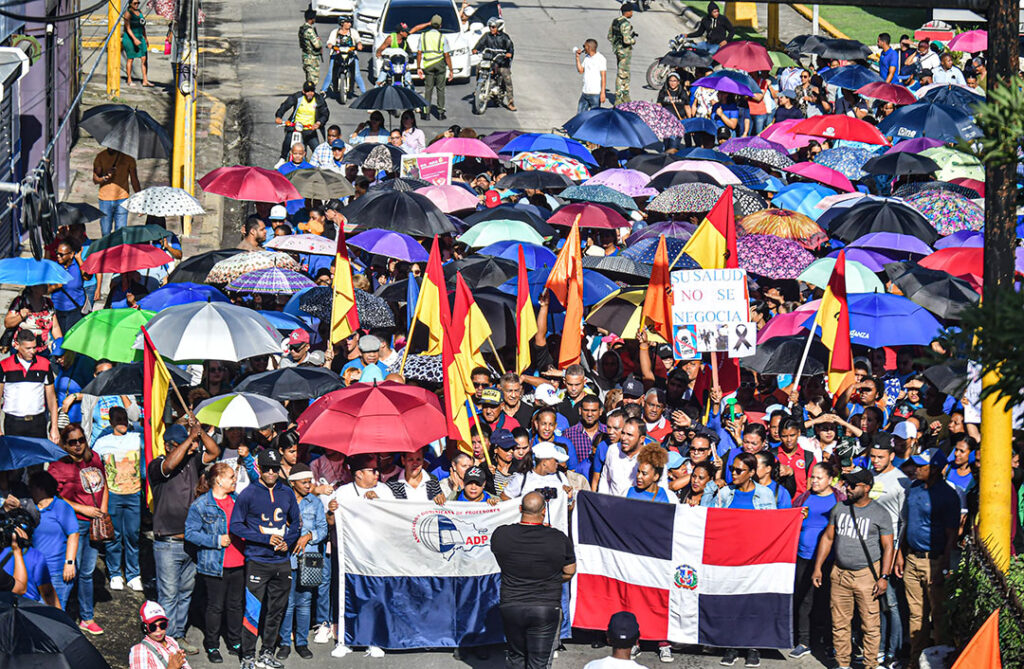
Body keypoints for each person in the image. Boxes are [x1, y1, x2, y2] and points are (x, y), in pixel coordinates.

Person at [148, 421, 221, 654]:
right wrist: (190, 438)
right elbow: (169, 465)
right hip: (166, 543)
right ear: (170, 446)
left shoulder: (191, 461)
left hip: (190, 541)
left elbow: (214, 452)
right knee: (168, 596)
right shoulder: (157, 465)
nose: (192, 450)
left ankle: (177, 635)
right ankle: (165, 643)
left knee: (185, 593)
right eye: (186, 446)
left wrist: (199, 432)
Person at [812, 467, 894, 669]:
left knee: (870, 625)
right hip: (839, 574)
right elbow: (828, 538)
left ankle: (870, 664)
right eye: (846, 483)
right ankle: (842, 664)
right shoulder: (839, 508)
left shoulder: (880, 513)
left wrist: (884, 576)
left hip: (867, 575)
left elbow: (888, 547)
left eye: (852, 484)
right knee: (839, 623)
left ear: (866, 488)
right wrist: (818, 567)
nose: (847, 487)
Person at [231, 449, 302, 669]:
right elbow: (235, 525)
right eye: (267, 468)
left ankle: (267, 653)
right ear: (259, 469)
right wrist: (264, 539)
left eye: (275, 468)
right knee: (253, 610)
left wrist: (287, 541)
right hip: (257, 561)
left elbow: (296, 523)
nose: (271, 473)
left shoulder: (287, 492)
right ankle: (248, 656)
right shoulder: (248, 493)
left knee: (276, 610)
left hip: (281, 561)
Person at [490, 491, 576, 669]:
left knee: (516, 657)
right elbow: (569, 571)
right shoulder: (558, 538)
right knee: (539, 663)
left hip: (511, 605)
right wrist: (548, 578)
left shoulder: (501, 535)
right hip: (545, 608)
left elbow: (501, 559)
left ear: (520, 508)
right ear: (544, 511)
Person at [897, 447, 960, 665]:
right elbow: (907, 523)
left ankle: (941, 663)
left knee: (939, 616)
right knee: (916, 616)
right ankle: (915, 663)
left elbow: (952, 535)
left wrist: (943, 567)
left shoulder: (948, 496)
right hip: (912, 559)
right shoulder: (914, 488)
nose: (915, 469)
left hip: (933, 562)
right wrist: (900, 553)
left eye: (921, 466)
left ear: (934, 469)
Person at [48, 423, 107, 634]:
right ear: (65, 444)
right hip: (75, 523)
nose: (78, 445)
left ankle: (87, 617)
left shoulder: (94, 458)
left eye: (81, 440)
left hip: (94, 522)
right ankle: (61, 615)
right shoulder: (59, 465)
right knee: (73, 570)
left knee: (87, 572)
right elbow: (56, 496)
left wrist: (102, 511)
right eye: (72, 442)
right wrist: (84, 509)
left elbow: (104, 484)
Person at [185, 462, 245, 663]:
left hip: (239, 562)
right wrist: (215, 540)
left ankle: (235, 642)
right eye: (231, 477)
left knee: (236, 605)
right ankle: (212, 645)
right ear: (218, 479)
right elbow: (190, 533)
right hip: (214, 565)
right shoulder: (202, 504)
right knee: (215, 606)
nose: (234, 480)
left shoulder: (237, 501)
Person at [790, 462, 842, 659]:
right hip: (803, 556)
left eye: (819, 478)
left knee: (829, 602)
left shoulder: (840, 500)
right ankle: (804, 641)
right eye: (812, 477)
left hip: (830, 560)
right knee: (804, 599)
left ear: (830, 480)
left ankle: (829, 643)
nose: (814, 481)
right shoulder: (803, 498)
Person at [278, 462, 327, 659]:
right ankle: (284, 642)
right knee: (287, 602)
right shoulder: (283, 501)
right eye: (304, 482)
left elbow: (323, 529)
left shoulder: (315, 502)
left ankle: (301, 642)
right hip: (287, 557)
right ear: (293, 483)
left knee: (305, 601)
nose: (309, 485)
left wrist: (309, 535)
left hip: (309, 558)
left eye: (310, 482)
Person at [91, 406, 143, 592]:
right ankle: (114, 573)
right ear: (111, 422)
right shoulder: (102, 442)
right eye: (118, 419)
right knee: (114, 536)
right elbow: (93, 462)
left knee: (133, 535)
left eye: (124, 419)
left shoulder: (138, 438)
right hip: (113, 494)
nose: (122, 423)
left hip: (134, 493)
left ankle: (133, 574)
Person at [28, 470, 78, 608]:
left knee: (55, 613)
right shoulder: (31, 508)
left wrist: (69, 562)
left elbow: (73, 534)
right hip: (36, 570)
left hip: (57, 571)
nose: (29, 490)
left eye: (31, 487)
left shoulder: (61, 507)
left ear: (41, 488)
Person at [129, 601, 191, 669]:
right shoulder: (140, 650)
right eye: (153, 627)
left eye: (162, 625)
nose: (158, 630)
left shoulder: (171, 641)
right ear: (145, 628)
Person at [93, 147, 140, 236]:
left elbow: (134, 181)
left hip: (123, 199)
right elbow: (95, 179)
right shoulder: (101, 157)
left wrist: (140, 198)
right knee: (106, 232)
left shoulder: (129, 158)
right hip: (105, 200)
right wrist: (105, 177)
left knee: (120, 233)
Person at [275, 82, 330, 158]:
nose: (310, 93)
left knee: (317, 150)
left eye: (312, 91)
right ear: (304, 91)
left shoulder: (319, 99)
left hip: (310, 129)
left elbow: (325, 114)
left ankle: (319, 166)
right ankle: (283, 158)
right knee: (288, 140)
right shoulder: (297, 97)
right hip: (295, 127)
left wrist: (319, 123)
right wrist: (279, 116)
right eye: (308, 91)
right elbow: (285, 106)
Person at [473, 18, 516, 110]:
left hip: (501, 62)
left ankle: (510, 102)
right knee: (478, 67)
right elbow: (480, 44)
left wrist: (509, 53)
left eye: (493, 27)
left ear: (499, 27)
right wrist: (475, 49)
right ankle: (478, 87)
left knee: (507, 77)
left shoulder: (505, 37)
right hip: (489, 60)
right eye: (490, 27)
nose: (491, 29)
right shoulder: (487, 36)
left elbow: (510, 48)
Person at [417, 14, 454, 120]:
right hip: (440, 64)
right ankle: (440, 112)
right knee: (440, 89)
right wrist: (451, 69)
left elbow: (419, 53)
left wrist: (418, 67)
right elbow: (446, 55)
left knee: (428, 89)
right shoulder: (442, 37)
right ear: (440, 26)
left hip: (428, 64)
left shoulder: (423, 36)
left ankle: (426, 113)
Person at [325, 16, 366, 99]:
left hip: (351, 55)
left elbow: (358, 40)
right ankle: (324, 91)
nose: (349, 24)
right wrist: (330, 45)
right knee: (330, 73)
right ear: (342, 23)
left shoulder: (353, 32)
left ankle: (364, 93)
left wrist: (359, 44)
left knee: (357, 74)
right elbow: (330, 41)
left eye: (350, 22)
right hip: (337, 54)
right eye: (347, 22)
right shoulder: (335, 32)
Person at [607, 4, 635, 103]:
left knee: (623, 72)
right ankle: (619, 97)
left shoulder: (615, 21)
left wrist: (616, 45)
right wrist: (633, 41)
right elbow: (627, 40)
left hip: (618, 50)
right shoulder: (626, 24)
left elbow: (610, 36)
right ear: (627, 12)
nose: (632, 13)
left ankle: (625, 94)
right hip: (625, 51)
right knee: (622, 74)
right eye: (631, 11)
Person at [122, 0, 153, 87]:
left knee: (144, 58)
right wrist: (134, 39)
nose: (136, 5)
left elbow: (143, 25)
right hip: (130, 38)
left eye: (138, 3)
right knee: (130, 58)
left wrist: (145, 38)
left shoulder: (139, 12)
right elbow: (127, 28)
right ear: (130, 4)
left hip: (140, 36)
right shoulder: (128, 13)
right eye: (134, 3)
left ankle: (145, 80)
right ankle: (129, 79)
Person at [575, 38, 606, 113]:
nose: (583, 48)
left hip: (595, 94)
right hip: (585, 92)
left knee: (594, 116)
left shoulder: (601, 59)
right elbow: (581, 70)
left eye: (584, 46)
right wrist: (577, 58)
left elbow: (603, 77)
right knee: (580, 115)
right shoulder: (587, 58)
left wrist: (602, 93)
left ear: (588, 47)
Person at [299, 8, 322, 85]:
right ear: (311, 19)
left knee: (308, 79)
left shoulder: (302, 29)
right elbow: (317, 45)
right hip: (312, 58)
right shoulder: (309, 30)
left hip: (305, 56)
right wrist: (319, 41)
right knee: (312, 82)